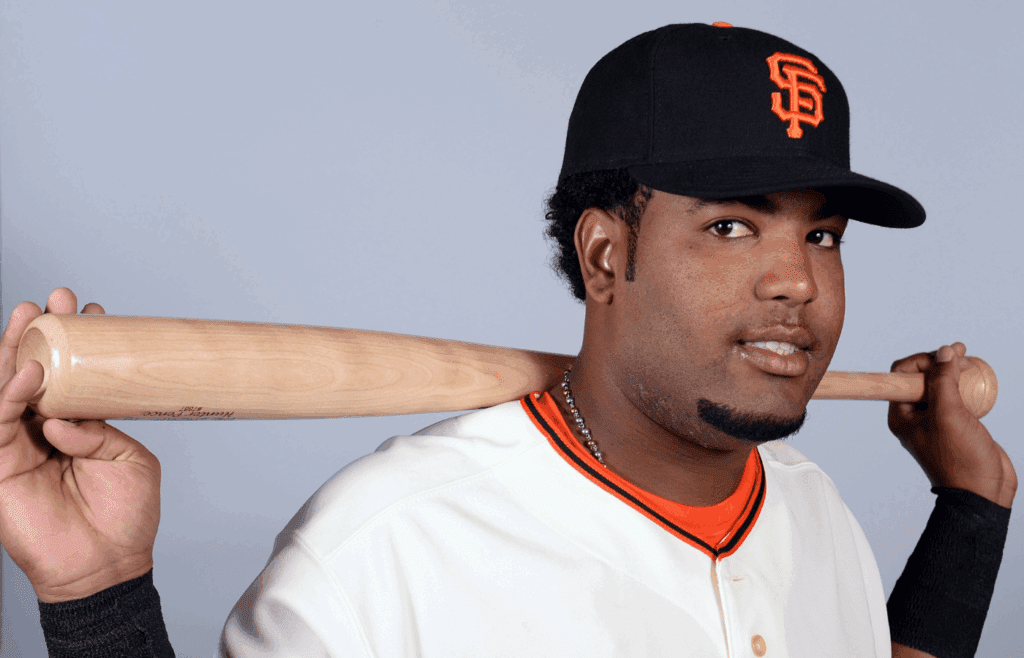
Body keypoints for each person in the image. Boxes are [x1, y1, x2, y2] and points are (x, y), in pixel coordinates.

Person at [0, 22, 1015, 658]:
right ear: (607, 254)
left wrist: (972, 508)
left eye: (822, 234)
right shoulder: (388, 543)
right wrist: (97, 598)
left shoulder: (814, 510)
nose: (798, 277)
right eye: (732, 224)